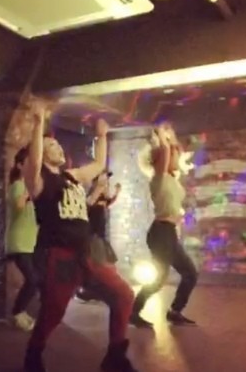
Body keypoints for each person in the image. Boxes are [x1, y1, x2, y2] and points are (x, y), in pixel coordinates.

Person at [23, 98, 136, 372]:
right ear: (42, 153)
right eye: (52, 146)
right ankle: (33, 355)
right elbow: (34, 160)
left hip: (86, 251)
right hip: (58, 254)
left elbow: (97, 164)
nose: (59, 147)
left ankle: (115, 357)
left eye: (58, 144)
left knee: (123, 294)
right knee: (54, 311)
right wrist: (38, 123)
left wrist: (102, 136)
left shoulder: (71, 177)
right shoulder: (39, 181)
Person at [130, 123, 198, 328]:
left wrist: (172, 137)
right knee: (159, 279)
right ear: (163, 160)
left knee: (190, 273)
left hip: (169, 233)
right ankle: (132, 312)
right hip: (160, 233)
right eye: (173, 156)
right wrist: (161, 133)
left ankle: (175, 311)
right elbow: (166, 150)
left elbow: (172, 149)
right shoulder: (158, 178)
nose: (178, 157)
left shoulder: (172, 178)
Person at [6, 146, 39, 331]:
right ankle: (17, 313)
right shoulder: (17, 185)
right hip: (19, 242)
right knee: (32, 280)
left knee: (36, 280)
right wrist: (28, 192)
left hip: (30, 241)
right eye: (28, 162)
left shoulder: (25, 186)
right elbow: (19, 206)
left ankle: (20, 311)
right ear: (19, 165)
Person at [75, 171, 121, 303]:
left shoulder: (102, 198)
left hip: (100, 235)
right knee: (99, 264)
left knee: (104, 263)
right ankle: (92, 290)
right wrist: (99, 188)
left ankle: (96, 290)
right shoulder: (92, 196)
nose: (106, 185)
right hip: (94, 236)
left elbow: (109, 201)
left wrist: (117, 192)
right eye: (104, 182)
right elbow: (88, 204)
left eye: (106, 183)